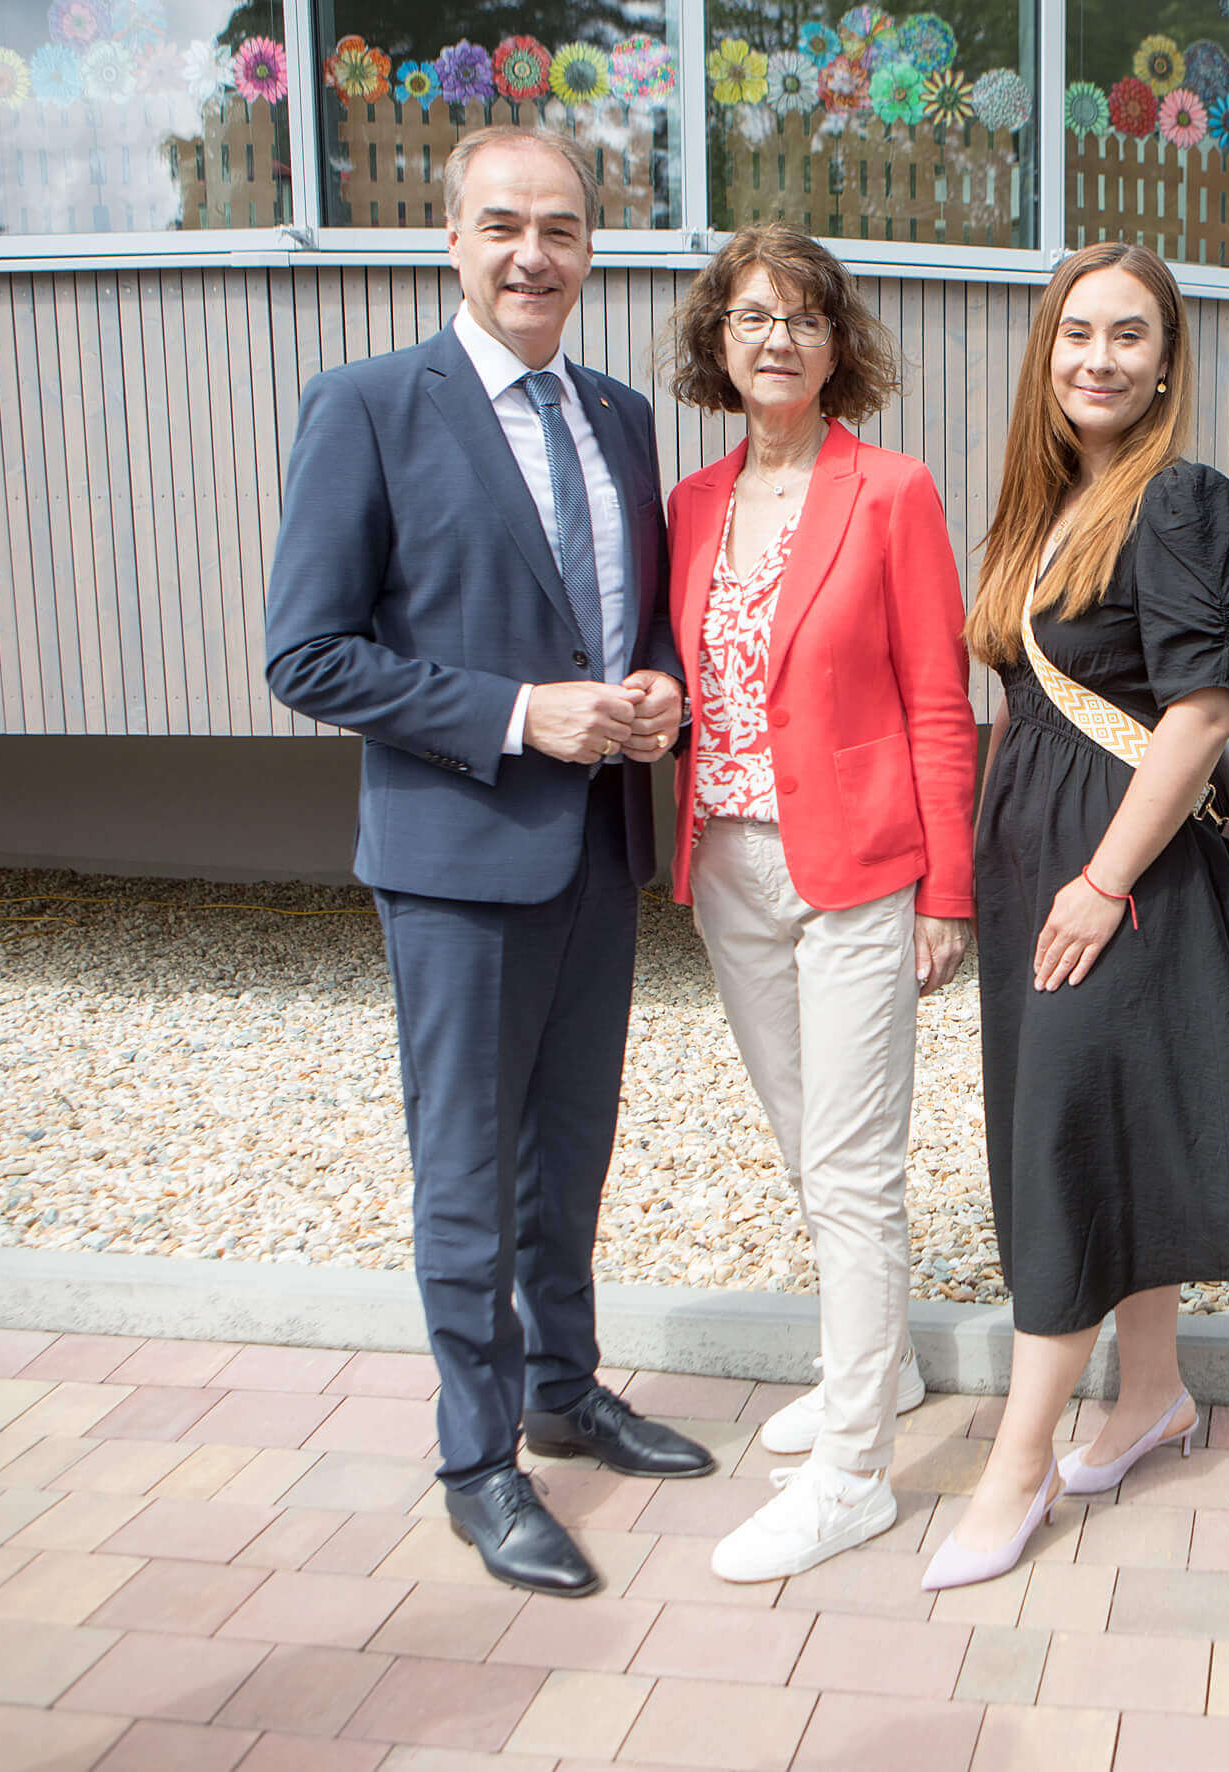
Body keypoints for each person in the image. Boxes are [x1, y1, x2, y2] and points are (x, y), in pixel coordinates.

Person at [264, 127, 715, 1600]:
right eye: (504, 226)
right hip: (457, 858)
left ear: (593, 249)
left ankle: (565, 1393)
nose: (535, 254)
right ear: (450, 240)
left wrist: (652, 689)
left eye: (564, 230)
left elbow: (625, 618)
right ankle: (476, 1462)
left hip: (595, 850)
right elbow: (310, 653)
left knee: (568, 1149)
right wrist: (522, 716)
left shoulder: (622, 415)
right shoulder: (369, 408)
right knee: (464, 1170)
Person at [921, 242, 1229, 1591]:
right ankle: (1151, 1394)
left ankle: (1015, 1466)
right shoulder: (1049, 505)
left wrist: (1098, 880)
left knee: (1064, 1150)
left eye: (1127, 336)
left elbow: (1200, 712)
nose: (1098, 357)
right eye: (1076, 332)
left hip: (1117, 880)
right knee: (1094, 1130)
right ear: (1047, 352)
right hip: (1048, 865)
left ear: (1165, 361)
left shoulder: (1182, 499)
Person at [657, 224, 978, 1581]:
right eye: (748, 317)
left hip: (858, 868)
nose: (773, 338)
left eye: (800, 317)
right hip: (727, 862)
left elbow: (936, 702)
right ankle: (885, 1366)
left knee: (853, 1172)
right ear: (716, 345)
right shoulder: (688, 504)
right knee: (806, 1146)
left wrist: (946, 890)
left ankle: (853, 1473)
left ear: (837, 345)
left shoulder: (891, 492)